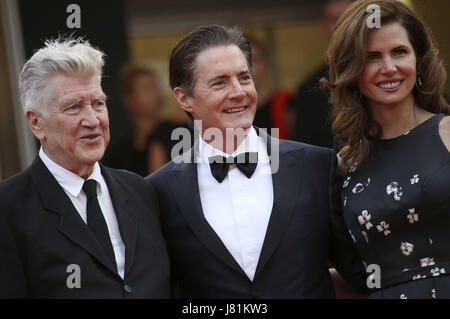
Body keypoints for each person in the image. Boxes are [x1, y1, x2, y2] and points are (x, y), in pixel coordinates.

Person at [147, 24, 366, 298]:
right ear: (184, 98)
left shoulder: (317, 167)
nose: (238, 91)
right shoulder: (158, 191)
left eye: (244, 78)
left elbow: (359, 273)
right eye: (219, 82)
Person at [0, 38, 170, 298]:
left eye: (98, 103)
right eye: (74, 106)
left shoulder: (141, 191)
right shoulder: (8, 208)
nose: (92, 120)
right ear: (37, 123)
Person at [323, 0, 450, 298]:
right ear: (351, 69)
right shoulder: (346, 164)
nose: (389, 68)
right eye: (372, 57)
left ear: (418, 59)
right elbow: (356, 278)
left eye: (399, 52)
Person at [287, 0, 353, 148]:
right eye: (335, 19)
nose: (342, 27)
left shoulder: (380, 74)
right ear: (324, 26)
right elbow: (305, 153)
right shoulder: (308, 90)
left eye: (349, 19)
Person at [106, 63, 164, 176]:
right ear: (129, 99)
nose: (155, 94)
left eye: (155, 87)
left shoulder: (173, 134)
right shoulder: (120, 153)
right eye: (146, 89)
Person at [248, 36, 292, 139]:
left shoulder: (284, 105)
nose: (249, 68)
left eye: (255, 60)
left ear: (266, 65)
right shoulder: (226, 111)